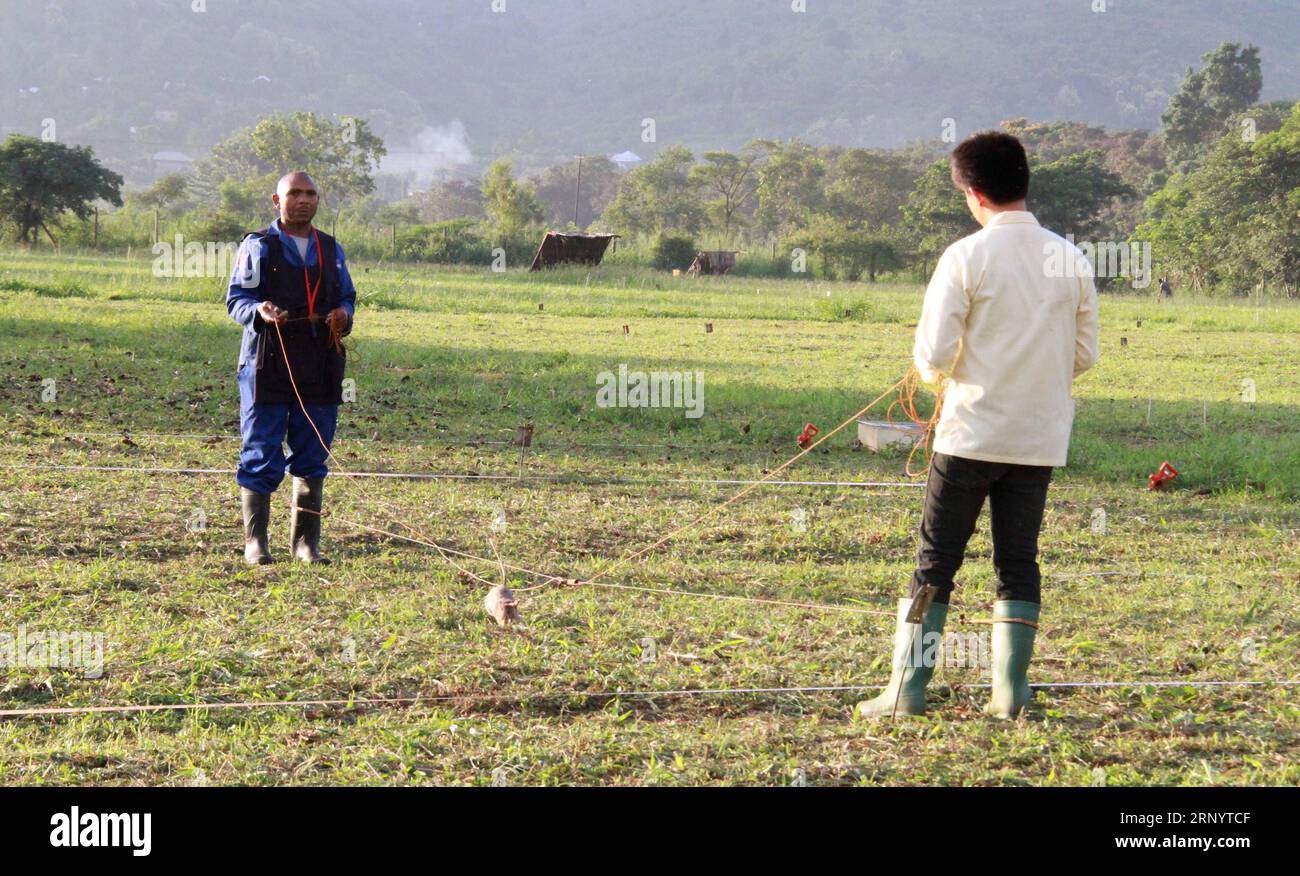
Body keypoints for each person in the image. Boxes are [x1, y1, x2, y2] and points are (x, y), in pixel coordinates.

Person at [855, 132, 1100, 720]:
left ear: (974, 193)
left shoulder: (965, 256)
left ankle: (906, 691)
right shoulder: (1070, 257)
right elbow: (1085, 355)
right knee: (1018, 562)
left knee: (935, 562)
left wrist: (936, 375)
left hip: (969, 437)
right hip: (1039, 439)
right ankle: (1011, 696)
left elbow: (935, 354)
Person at [226, 171, 356, 566]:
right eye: (294, 193)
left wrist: (342, 316)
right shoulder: (257, 247)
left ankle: (305, 544)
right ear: (276, 200)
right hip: (268, 361)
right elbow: (237, 300)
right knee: (261, 450)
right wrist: (259, 311)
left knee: (313, 452)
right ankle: (256, 543)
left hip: (320, 360)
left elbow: (348, 298)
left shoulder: (331, 249)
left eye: (310, 193)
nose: (303, 200)